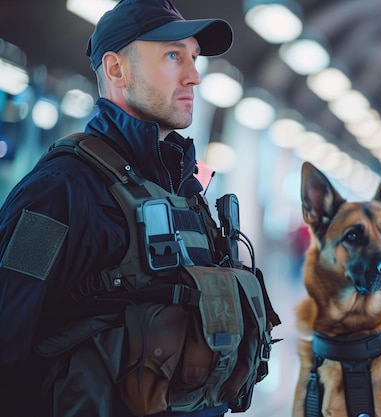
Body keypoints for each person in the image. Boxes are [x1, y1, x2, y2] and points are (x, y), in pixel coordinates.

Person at [0, 1, 256, 416]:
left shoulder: (185, 191)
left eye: (194, 57)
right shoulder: (58, 192)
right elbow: (6, 339)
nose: (194, 75)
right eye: (174, 56)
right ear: (117, 69)